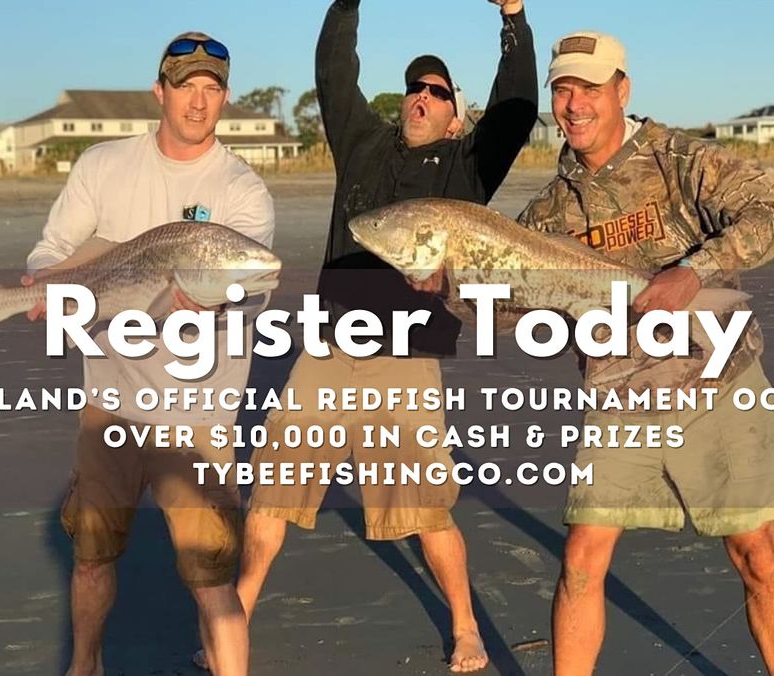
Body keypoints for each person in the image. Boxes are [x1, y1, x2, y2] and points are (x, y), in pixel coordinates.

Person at [235, 1, 536, 672]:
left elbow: (514, 109)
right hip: (328, 350)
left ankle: (465, 628)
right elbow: (334, 73)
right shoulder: (364, 145)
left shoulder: (468, 168)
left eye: (438, 91)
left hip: (406, 364)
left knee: (426, 509)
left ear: (456, 114)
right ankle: (235, 618)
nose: (422, 97)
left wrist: (513, 18)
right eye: (415, 88)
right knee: (271, 495)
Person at [516, 32, 774, 675]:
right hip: (619, 396)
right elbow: (514, 308)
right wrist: (448, 281)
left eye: (589, 87)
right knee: (582, 560)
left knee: (757, 555)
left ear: (622, 90)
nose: (574, 104)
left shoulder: (682, 160)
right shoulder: (548, 211)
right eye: (562, 89)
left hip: (720, 385)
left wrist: (695, 270)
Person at [24, 32, 275, 676]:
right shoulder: (103, 165)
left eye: (212, 88)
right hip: (111, 408)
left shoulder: (242, 189)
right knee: (91, 557)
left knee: (210, 575)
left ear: (225, 98)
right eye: (186, 85)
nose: (198, 101)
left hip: (200, 415)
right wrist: (43, 286)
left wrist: (215, 301)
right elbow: (52, 251)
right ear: (159, 91)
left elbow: (250, 282)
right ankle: (85, 666)